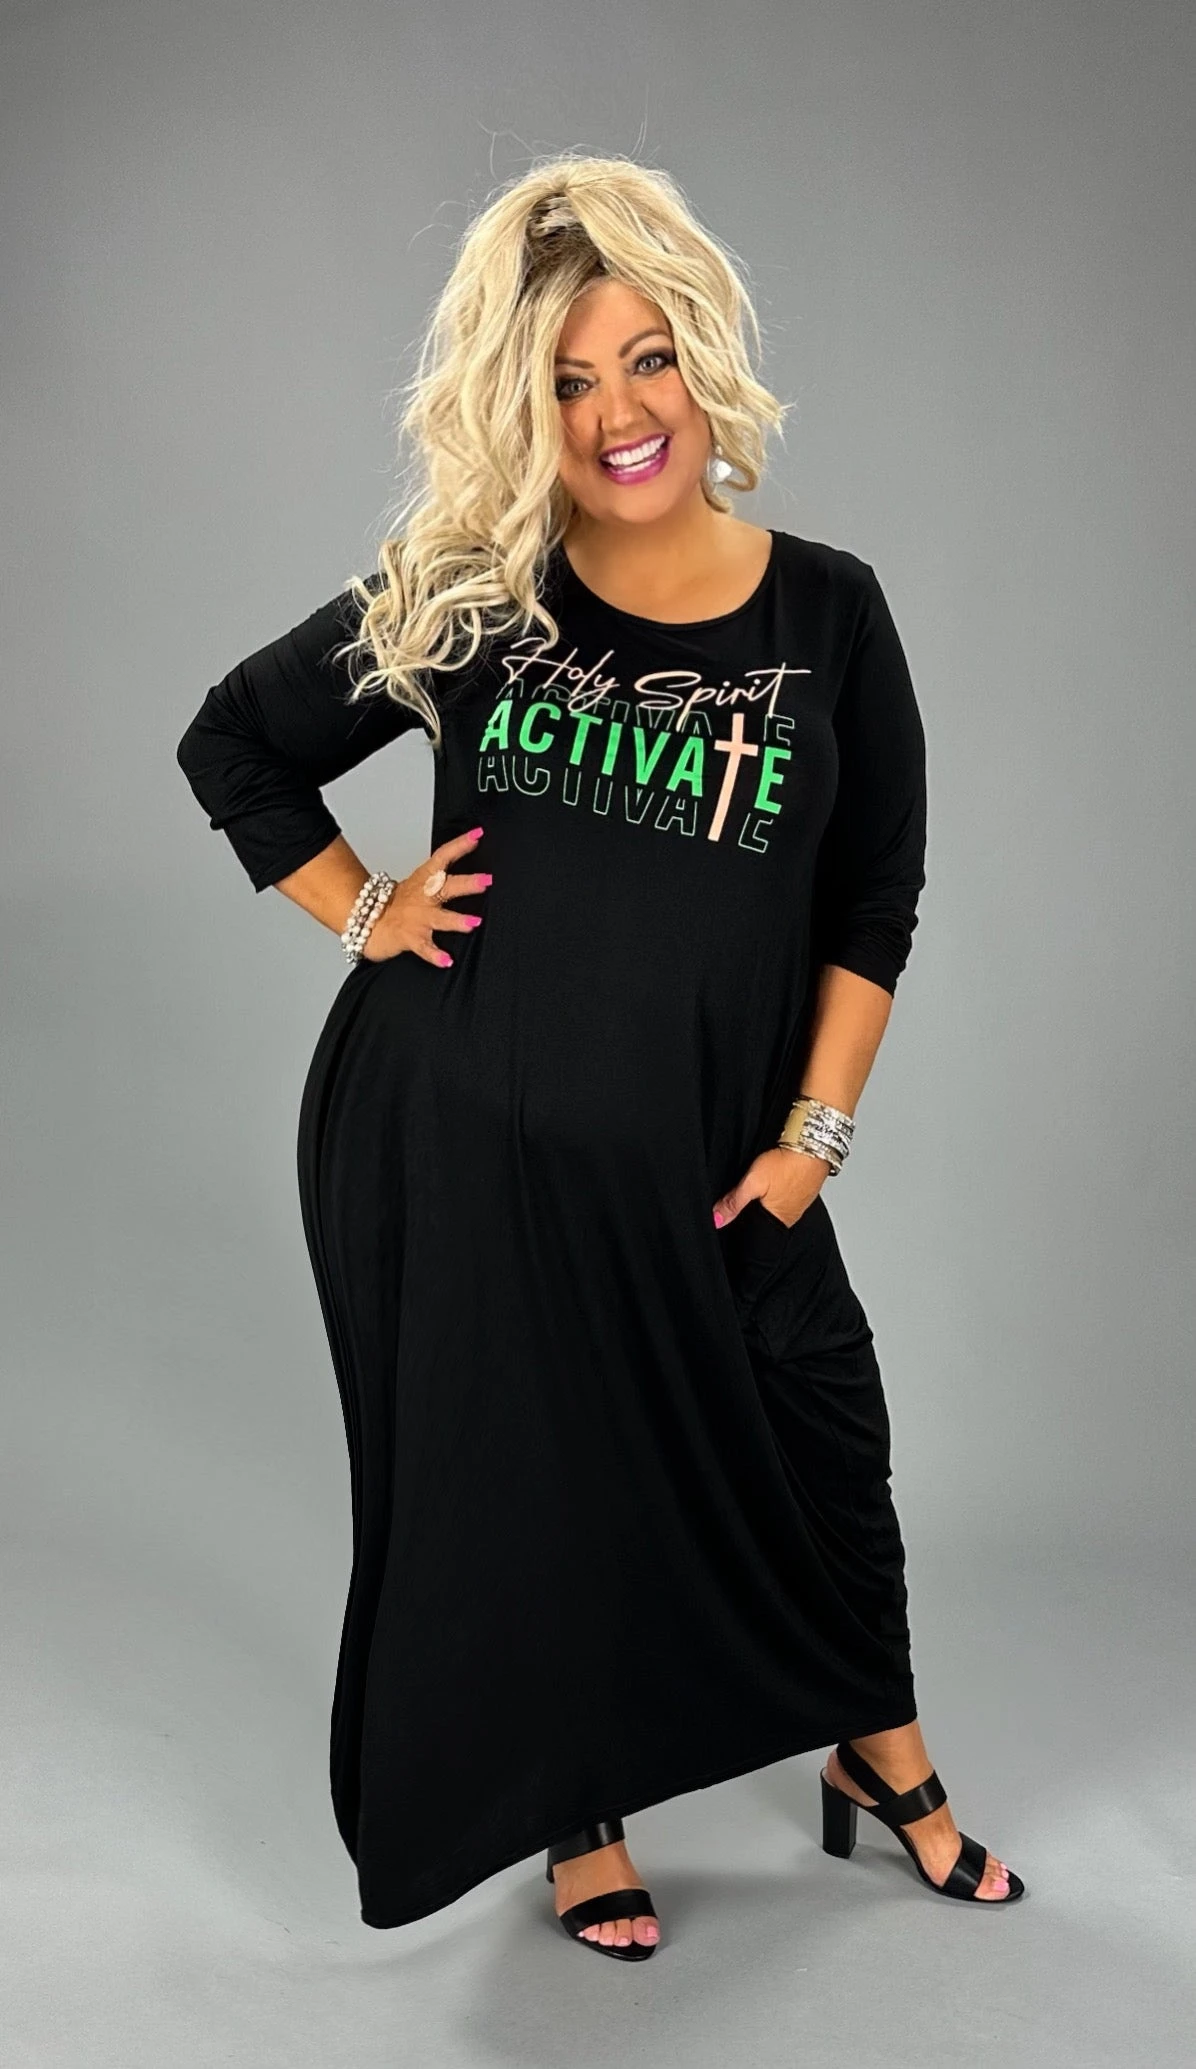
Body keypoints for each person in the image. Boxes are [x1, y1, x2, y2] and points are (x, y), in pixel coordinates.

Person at [176, 154, 1024, 1960]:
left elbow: (874, 901)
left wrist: (813, 1136)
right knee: (537, 1481)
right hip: (465, 1138)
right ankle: (579, 1814)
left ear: (705, 357)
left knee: (826, 1430)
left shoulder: (831, 614)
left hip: (715, 1155)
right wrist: (361, 908)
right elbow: (236, 741)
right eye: (566, 381)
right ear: (522, 406)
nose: (617, 414)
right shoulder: (478, 592)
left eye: (647, 359)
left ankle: (878, 1751)